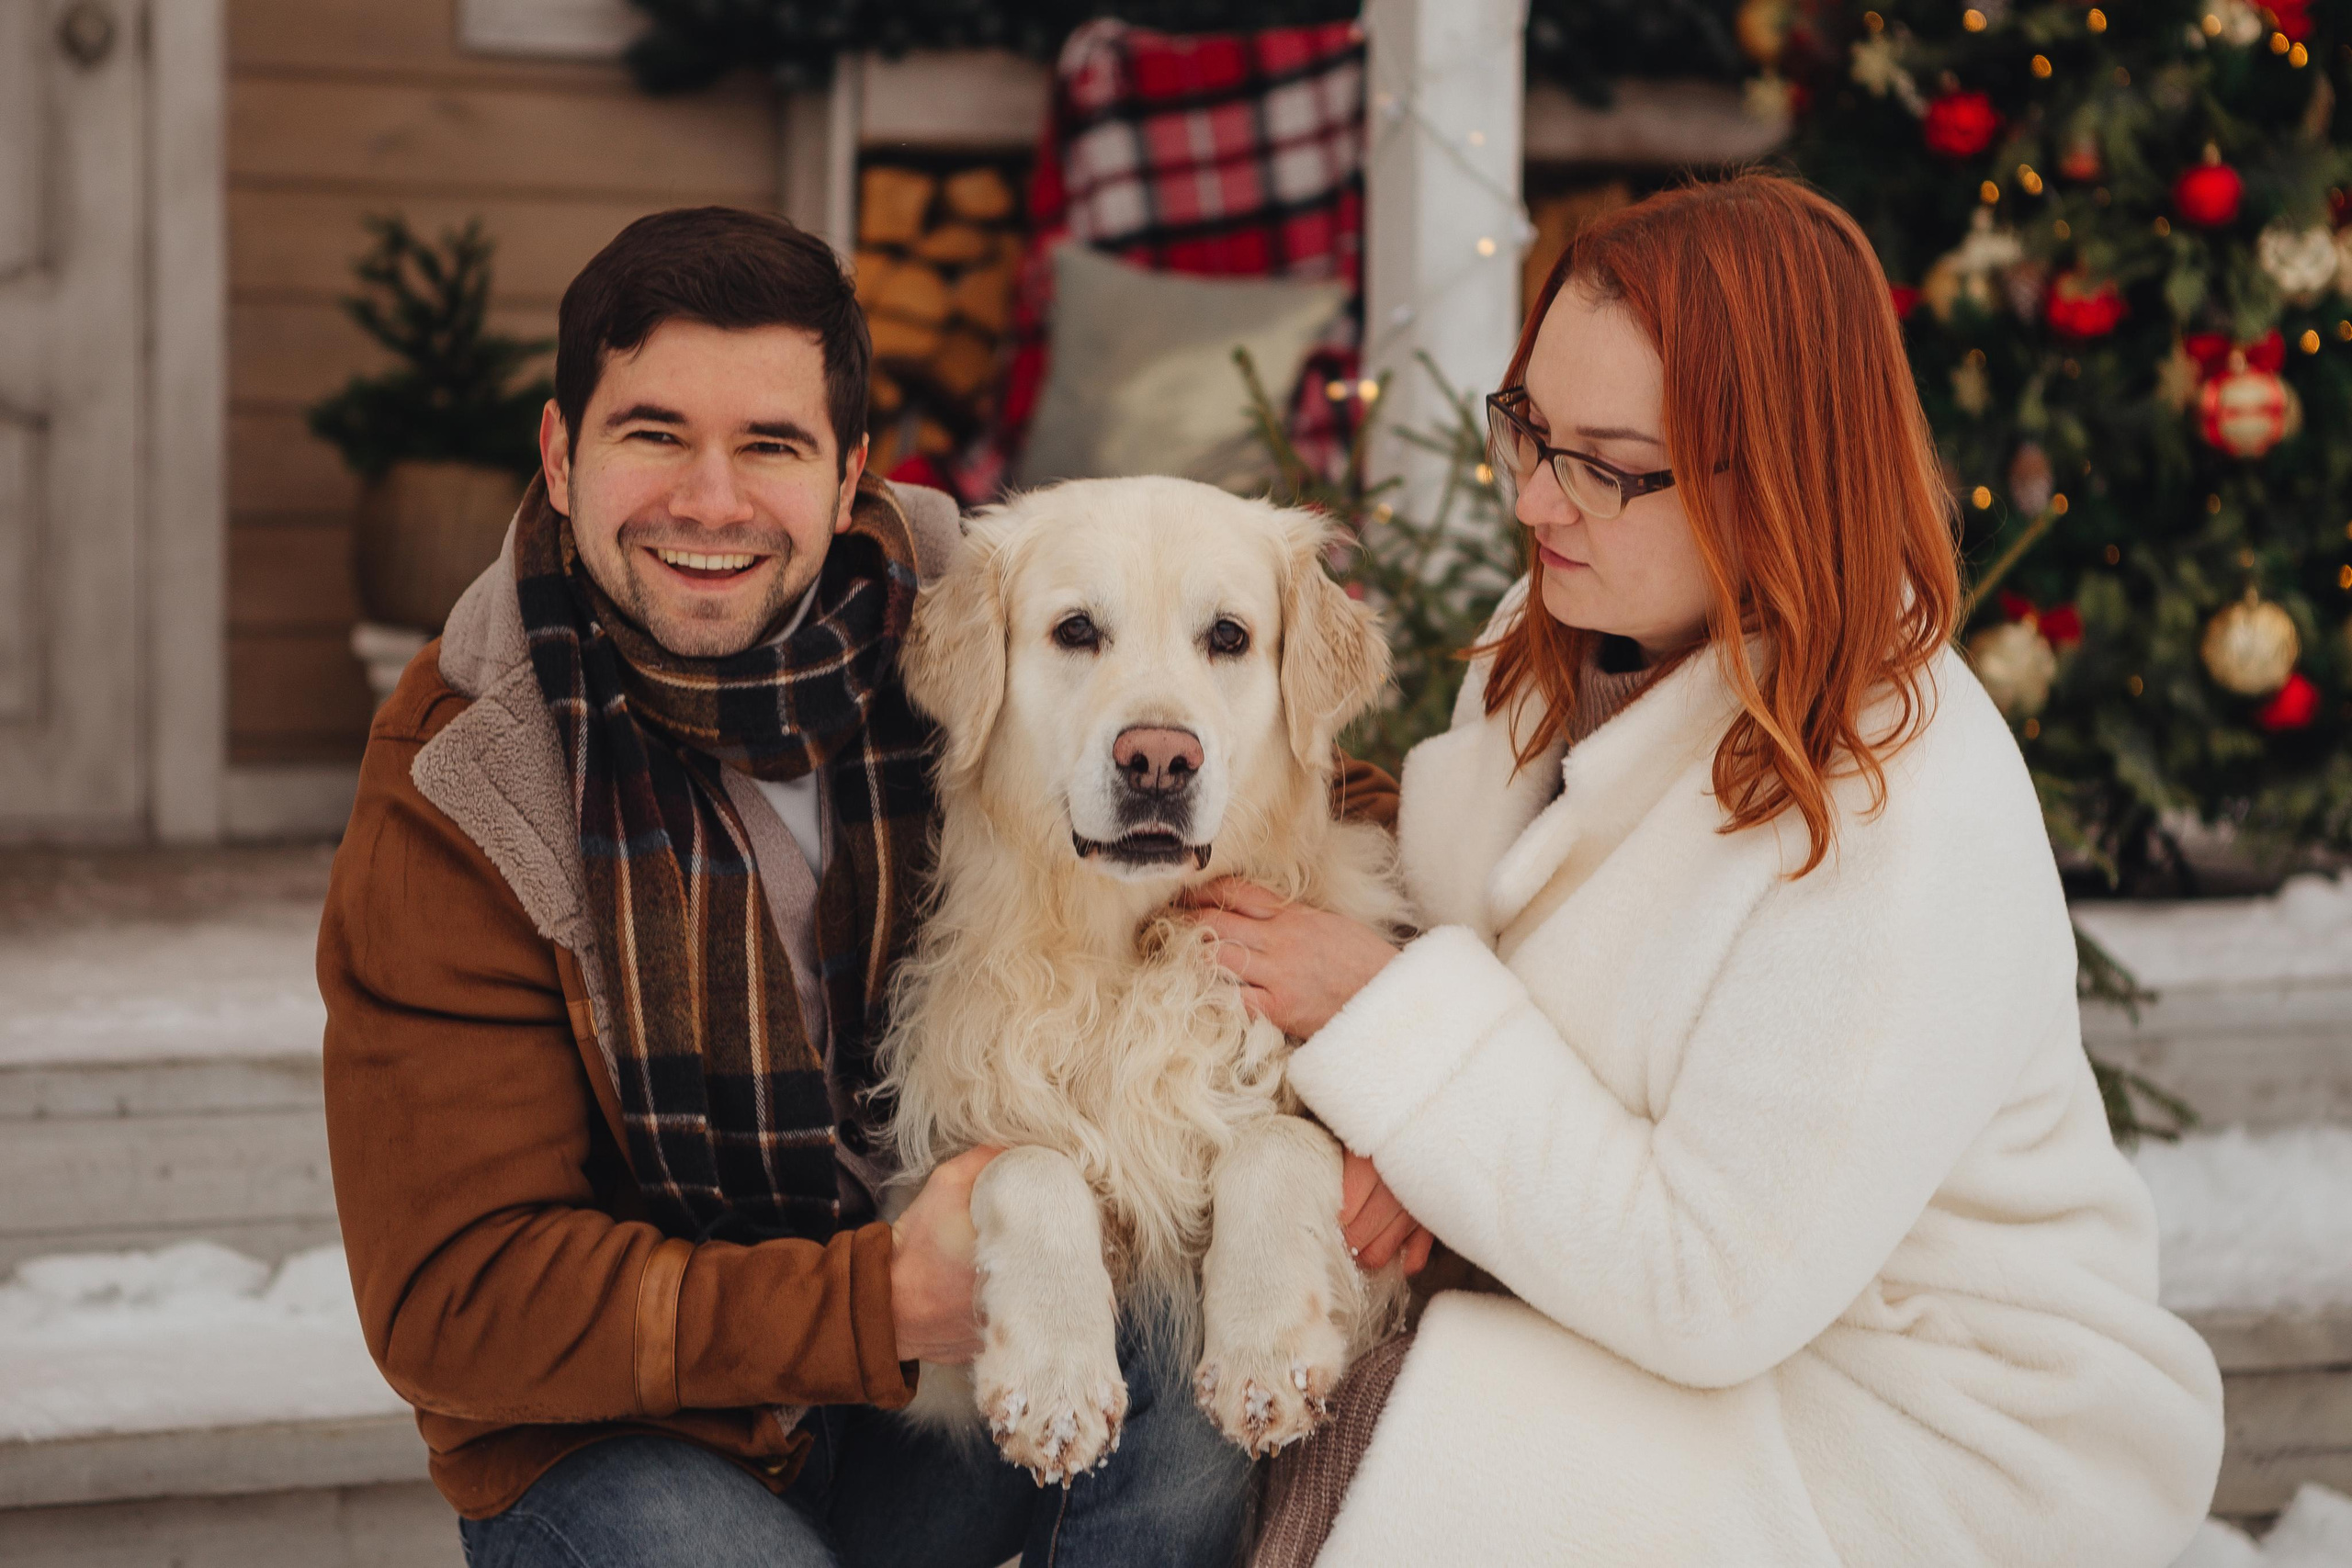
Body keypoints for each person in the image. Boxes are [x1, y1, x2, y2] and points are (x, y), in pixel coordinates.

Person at [317, 205, 1396, 1568]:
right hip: (632, 1436)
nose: (711, 502)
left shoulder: (945, 593)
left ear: (848, 478)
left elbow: (1294, 786)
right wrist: (876, 1303)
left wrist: (1398, 1030)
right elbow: (455, 1303)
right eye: (654, 434)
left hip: (915, 1414)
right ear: (560, 453)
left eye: (770, 445)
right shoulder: (463, 776)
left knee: (1192, 1362)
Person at [1191, 174, 2225, 1567]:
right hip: (1642, 1326)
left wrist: (1384, 1019)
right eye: (1528, 429)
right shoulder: (1563, 626)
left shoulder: (1900, 802)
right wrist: (1397, 1129)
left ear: (1775, 478)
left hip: (1921, 1418)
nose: (1535, 499)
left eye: (1607, 465)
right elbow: (1487, 943)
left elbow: (1712, 1284)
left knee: (1364, 1445)